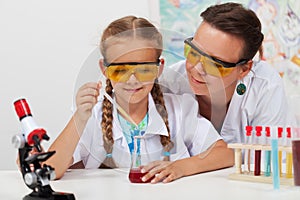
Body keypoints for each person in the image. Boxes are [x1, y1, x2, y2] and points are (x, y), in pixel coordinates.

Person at [44, 16, 233, 180]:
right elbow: (49, 170)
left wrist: (181, 167)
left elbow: (226, 154)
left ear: (159, 69)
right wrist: (80, 116)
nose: (132, 80)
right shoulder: (93, 114)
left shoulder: (180, 110)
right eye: (120, 70)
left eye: (144, 70)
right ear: (104, 69)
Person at [142, 2, 295, 183]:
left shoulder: (265, 87)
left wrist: (184, 166)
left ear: (244, 69)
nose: (197, 69)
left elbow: (270, 162)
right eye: (193, 52)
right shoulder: (170, 83)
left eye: (215, 64)